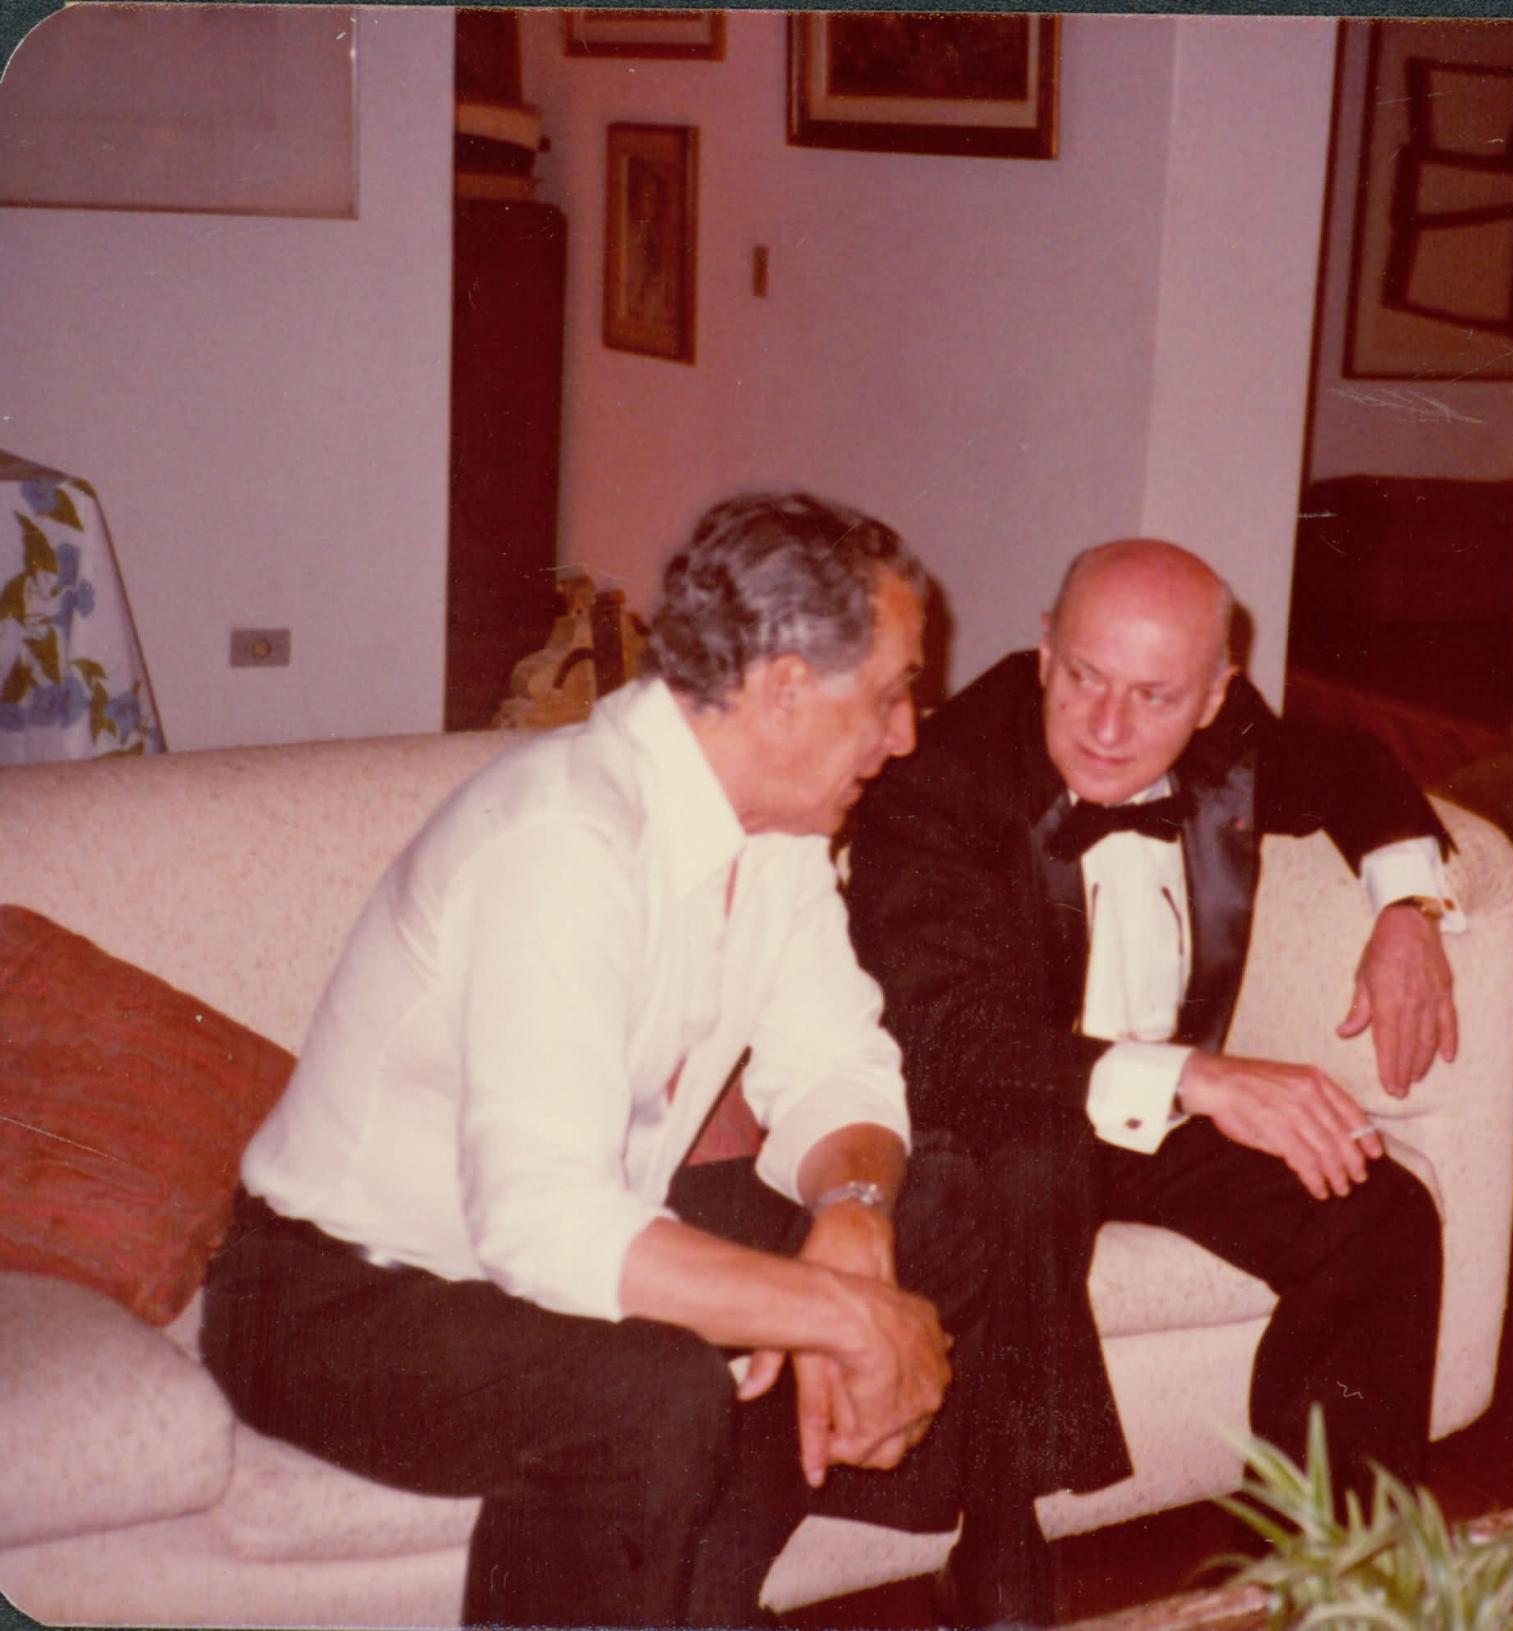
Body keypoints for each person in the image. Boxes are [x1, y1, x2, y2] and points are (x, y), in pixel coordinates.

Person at [201, 492, 1032, 1629]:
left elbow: (839, 1063)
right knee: (648, 1389)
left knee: (936, 1203)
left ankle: (697, 1607)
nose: (906, 736)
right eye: (891, 694)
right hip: (339, 1297)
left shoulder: (776, 833)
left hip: (556, 1238)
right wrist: (836, 1313)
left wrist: (852, 1212)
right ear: (785, 688)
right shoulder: (565, 840)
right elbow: (542, 1224)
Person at [843, 537, 1461, 1603]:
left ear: (1213, 695)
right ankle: (995, 1537)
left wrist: (1408, 909)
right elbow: (949, 1037)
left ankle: (1326, 1567)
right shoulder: (936, 778)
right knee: (1032, 1170)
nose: (1107, 726)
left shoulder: (1231, 740)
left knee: (1379, 1212)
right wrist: (1201, 1080)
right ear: (1044, 650)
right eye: (1083, 676)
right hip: (993, 1106)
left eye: (1153, 695)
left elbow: (1356, 766)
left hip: (1155, 1107)